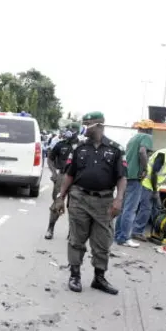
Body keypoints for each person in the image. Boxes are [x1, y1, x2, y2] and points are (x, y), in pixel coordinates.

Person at [54, 111, 126, 295]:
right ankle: (75, 275)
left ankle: (99, 278)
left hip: (104, 202)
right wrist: (60, 197)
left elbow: (122, 177)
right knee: (76, 238)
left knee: (102, 242)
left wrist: (119, 200)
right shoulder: (79, 147)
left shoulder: (115, 149)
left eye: (86, 123)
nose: (83, 127)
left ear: (98, 125)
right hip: (80, 198)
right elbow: (70, 174)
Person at [113, 119, 154, 247]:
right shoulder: (147, 137)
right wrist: (145, 168)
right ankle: (125, 238)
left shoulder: (132, 139)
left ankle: (118, 236)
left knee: (124, 208)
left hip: (126, 176)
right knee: (131, 209)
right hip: (136, 177)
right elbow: (142, 151)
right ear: (148, 129)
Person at [45, 123, 80, 239]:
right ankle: (50, 228)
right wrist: (54, 173)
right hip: (62, 176)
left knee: (75, 207)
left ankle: (72, 232)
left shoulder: (82, 146)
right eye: (68, 128)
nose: (69, 131)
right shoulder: (60, 145)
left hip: (77, 178)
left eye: (72, 129)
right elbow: (50, 159)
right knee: (57, 203)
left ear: (77, 131)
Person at [131, 148, 166, 241]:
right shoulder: (163, 154)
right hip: (147, 184)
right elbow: (154, 173)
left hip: (155, 186)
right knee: (146, 209)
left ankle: (157, 233)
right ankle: (136, 232)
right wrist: (155, 191)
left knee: (157, 209)